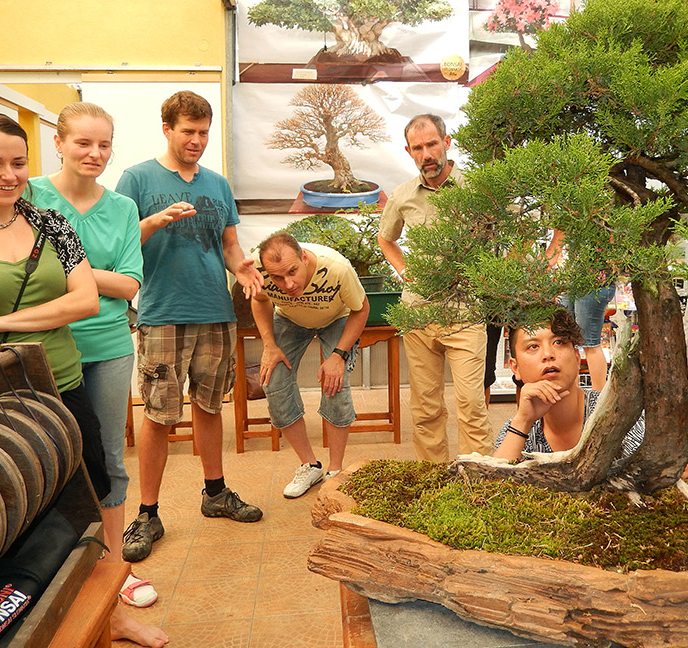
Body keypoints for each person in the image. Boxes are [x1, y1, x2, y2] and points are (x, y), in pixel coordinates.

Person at [0, 112, 162, 643]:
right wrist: (16, 389)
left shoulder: (48, 222)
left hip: (64, 384)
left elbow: (84, 299)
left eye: (17, 162)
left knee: (83, 503)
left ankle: (109, 611)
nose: (8, 174)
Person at [27, 102, 168, 647]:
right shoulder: (30, 195)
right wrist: (93, 277)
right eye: (83, 143)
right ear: (58, 143)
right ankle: (51, 581)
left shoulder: (124, 206)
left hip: (108, 346)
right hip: (40, 348)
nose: (95, 154)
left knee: (107, 460)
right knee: (44, 467)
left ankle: (114, 580)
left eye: (104, 144)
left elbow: (132, 285)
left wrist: (70, 269)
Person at [115, 90, 264, 564]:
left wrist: (242, 270)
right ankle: (147, 513)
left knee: (208, 406)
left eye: (203, 132)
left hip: (214, 312)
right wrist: (155, 220)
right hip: (162, 312)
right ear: (167, 129)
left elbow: (229, 245)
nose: (196, 140)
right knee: (159, 414)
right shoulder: (137, 178)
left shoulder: (217, 185)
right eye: (188, 132)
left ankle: (215, 493)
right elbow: (118, 241)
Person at [492, 309, 688, 483]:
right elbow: (490, 491)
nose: (547, 355)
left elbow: (678, 472)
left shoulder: (618, 410)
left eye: (559, 342)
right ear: (515, 367)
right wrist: (522, 422)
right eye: (532, 346)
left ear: (576, 356)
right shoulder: (516, 430)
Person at [378, 113, 492, 463]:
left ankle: (478, 481)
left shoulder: (479, 188)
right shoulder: (402, 196)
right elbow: (386, 238)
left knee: (471, 403)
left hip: (466, 312)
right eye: (418, 148)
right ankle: (434, 480)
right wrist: (405, 271)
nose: (426, 154)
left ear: (447, 142)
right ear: (409, 152)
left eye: (431, 144)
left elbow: (514, 231)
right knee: (425, 407)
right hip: (419, 314)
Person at [250, 232, 369, 498]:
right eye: (278, 277)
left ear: (304, 257)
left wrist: (338, 355)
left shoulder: (337, 268)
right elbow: (259, 302)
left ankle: (335, 471)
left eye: (292, 272)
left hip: (338, 317)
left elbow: (362, 309)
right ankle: (310, 465)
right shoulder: (258, 269)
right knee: (274, 380)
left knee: (335, 383)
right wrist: (269, 345)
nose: (288, 283)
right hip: (290, 319)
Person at [543, 229, 615, 391]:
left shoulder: (600, 217)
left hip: (594, 283)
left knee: (590, 343)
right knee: (567, 338)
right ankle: (571, 392)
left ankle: (597, 398)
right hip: (576, 279)